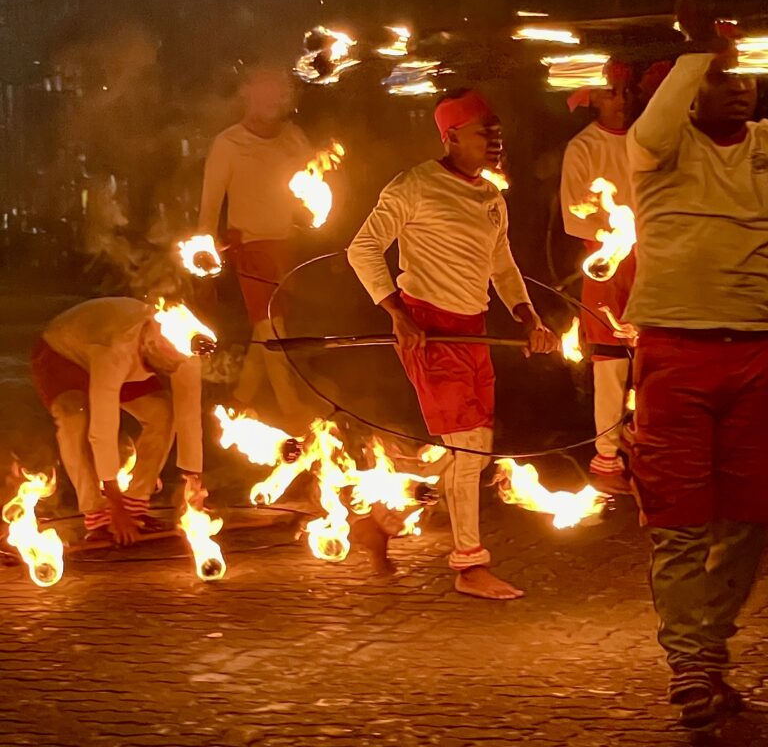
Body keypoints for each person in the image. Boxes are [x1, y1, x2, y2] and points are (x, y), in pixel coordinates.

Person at [347, 88, 558, 600]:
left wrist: (529, 317)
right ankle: (469, 565)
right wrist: (398, 314)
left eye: (498, 131)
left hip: (472, 330)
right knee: (468, 447)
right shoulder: (413, 187)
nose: (495, 140)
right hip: (429, 329)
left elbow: (502, 268)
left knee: (473, 452)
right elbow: (362, 248)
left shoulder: (490, 198)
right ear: (451, 136)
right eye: (486, 131)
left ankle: (380, 514)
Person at [625, 49, 768, 731]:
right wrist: (695, 52)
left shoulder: (764, 150)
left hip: (758, 353)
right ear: (686, 94)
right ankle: (688, 662)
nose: (738, 88)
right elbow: (649, 131)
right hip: (674, 354)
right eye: (721, 78)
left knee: (750, 518)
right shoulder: (659, 153)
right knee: (678, 522)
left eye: (743, 76)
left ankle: (707, 654)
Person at [198, 61, 320, 434]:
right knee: (274, 327)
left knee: (263, 328)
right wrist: (203, 250)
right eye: (263, 88)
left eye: (278, 89)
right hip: (249, 246)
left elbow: (313, 184)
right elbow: (209, 205)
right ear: (247, 93)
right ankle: (290, 407)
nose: (272, 97)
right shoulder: (228, 143)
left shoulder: (294, 137)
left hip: (288, 245)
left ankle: (241, 398)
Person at [30, 297, 207, 544]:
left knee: (162, 411)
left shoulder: (187, 343)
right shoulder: (117, 349)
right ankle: (96, 516)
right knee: (74, 418)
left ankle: (136, 506)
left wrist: (193, 482)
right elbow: (102, 430)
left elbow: (188, 413)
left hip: (122, 361)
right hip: (63, 354)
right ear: (148, 347)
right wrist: (114, 504)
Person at [560, 62, 635, 482]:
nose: (620, 100)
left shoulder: (647, 139)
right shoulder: (583, 148)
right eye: (611, 92)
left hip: (652, 262)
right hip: (606, 263)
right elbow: (575, 219)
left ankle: (648, 449)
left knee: (654, 359)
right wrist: (618, 233)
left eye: (625, 91)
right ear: (593, 99)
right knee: (609, 362)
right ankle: (607, 455)